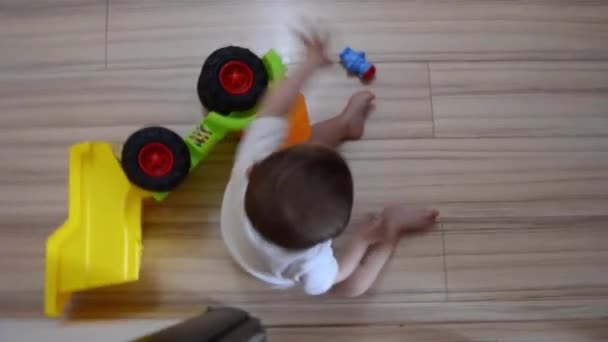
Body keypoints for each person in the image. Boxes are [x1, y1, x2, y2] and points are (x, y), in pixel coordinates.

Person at [220, 28, 439, 297]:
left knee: (302, 150)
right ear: (323, 241)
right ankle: (392, 228)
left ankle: (345, 124)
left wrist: (309, 63)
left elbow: (275, 106)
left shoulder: (251, 160)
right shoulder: (308, 260)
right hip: (266, 267)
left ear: (253, 171)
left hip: (238, 236)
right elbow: (335, 276)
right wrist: (360, 240)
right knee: (352, 287)